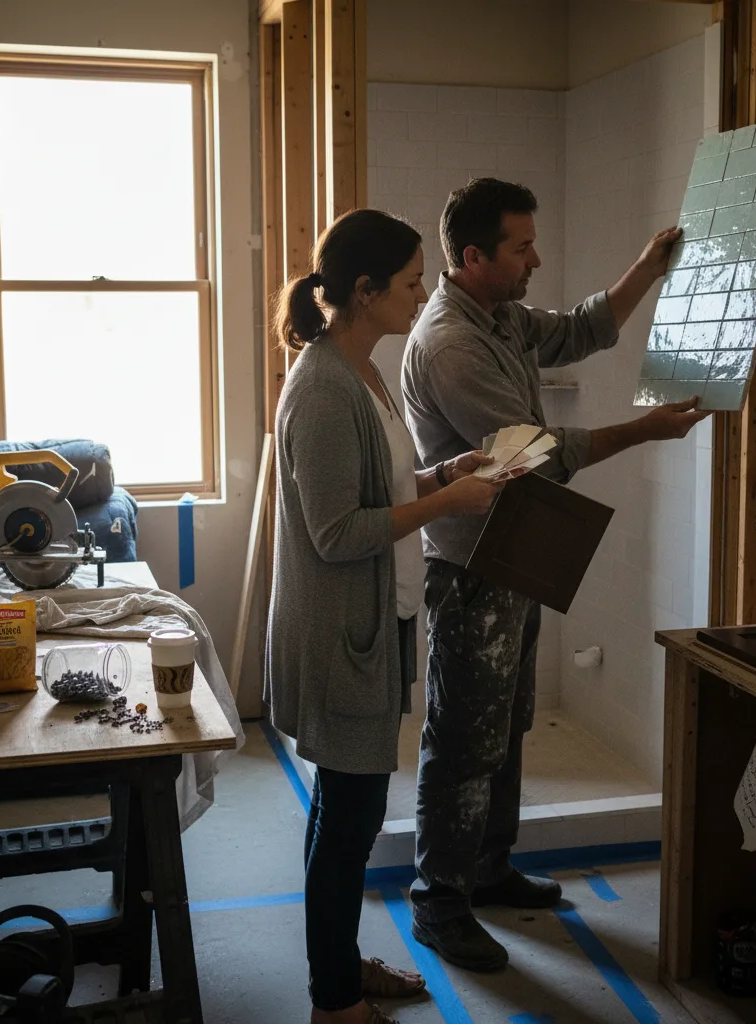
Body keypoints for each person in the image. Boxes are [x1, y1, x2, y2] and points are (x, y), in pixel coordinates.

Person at [401, 177, 710, 972]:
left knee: (505, 726)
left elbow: (578, 330)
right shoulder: (451, 344)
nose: (537, 258)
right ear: (473, 257)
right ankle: (439, 900)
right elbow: (531, 451)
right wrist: (644, 431)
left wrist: (647, 265)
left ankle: (489, 867)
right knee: (464, 736)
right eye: (522, 246)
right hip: (471, 568)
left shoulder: (497, 314)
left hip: (514, 555)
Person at [265, 208, 508, 1024]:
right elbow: (338, 534)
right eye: (410, 282)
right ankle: (334, 1000)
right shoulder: (325, 389)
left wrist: (446, 470)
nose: (423, 294)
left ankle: (335, 967)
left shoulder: (362, 369)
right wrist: (449, 499)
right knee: (351, 821)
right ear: (364, 291)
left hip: (371, 627)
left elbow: (382, 484)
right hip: (342, 638)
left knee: (343, 815)